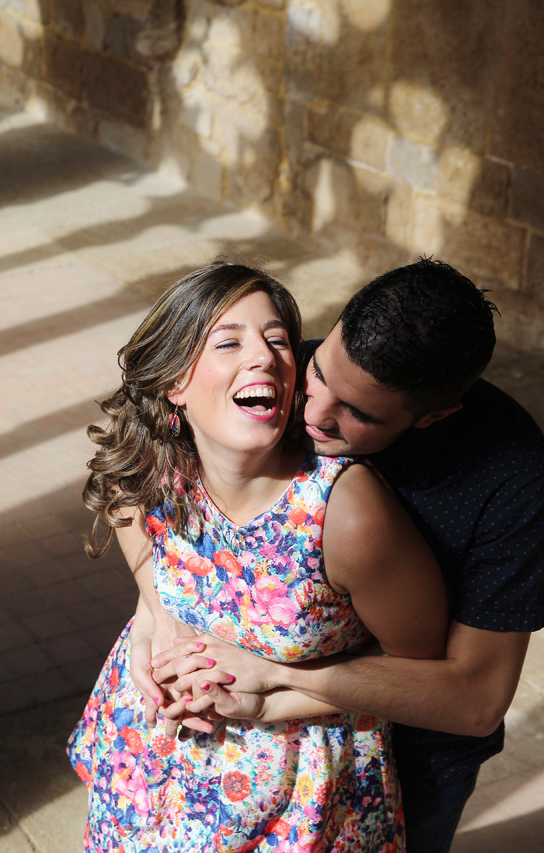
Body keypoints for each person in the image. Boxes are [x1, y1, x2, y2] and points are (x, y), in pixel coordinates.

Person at [147, 258, 544, 852]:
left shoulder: (510, 474)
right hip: (242, 739)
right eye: (319, 374)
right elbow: (137, 471)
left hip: (413, 745)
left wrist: (278, 679)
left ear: (435, 416)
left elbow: (475, 702)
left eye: (357, 414)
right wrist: (156, 617)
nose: (311, 413)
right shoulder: (279, 372)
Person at [66, 262, 449, 851]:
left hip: (296, 801)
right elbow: (122, 499)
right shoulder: (156, 467)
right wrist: (158, 614)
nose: (265, 357)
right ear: (175, 383)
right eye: (229, 341)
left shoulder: (346, 513)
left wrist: (271, 697)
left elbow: (419, 669)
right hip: (147, 767)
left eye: (278, 341)